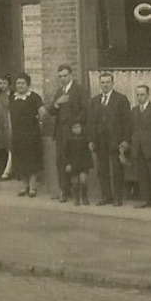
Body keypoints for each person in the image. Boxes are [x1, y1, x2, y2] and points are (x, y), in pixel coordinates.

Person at [86, 70, 131, 207]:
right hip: (100, 142)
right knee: (102, 170)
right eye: (103, 82)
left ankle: (118, 198)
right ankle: (106, 196)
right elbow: (91, 122)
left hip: (115, 141)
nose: (105, 85)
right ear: (99, 84)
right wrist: (91, 140)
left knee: (117, 171)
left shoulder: (121, 99)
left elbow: (127, 121)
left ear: (113, 83)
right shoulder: (94, 101)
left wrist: (125, 140)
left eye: (108, 82)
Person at [47, 63, 86, 202]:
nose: (63, 78)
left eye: (65, 75)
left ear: (71, 75)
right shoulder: (59, 91)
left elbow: (85, 110)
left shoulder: (79, 90)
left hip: (74, 132)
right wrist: (57, 103)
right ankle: (64, 190)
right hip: (60, 132)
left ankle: (78, 192)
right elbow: (50, 111)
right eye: (60, 76)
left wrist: (76, 124)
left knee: (75, 161)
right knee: (61, 160)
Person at [8, 72, 44, 197]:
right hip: (18, 134)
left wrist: (39, 121)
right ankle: (24, 186)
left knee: (31, 160)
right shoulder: (12, 97)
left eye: (23, 83)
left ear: (28, 84)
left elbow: (42, 112)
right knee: (20, 160)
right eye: (18, 83)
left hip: (31, 134)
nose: (20, 86)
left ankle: (33, 187)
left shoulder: (34, 97)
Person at [63, 119, 93, 206]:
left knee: (83, 180)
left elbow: (89, 148)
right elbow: (66, 153)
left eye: (79, 127)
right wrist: (67, 164)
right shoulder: (69, 140)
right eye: (75, 127)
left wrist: (90, 143)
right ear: (71, 129)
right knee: (75, 181)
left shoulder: (85, 138)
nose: (77, 129)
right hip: (73, 163)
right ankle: (76, 198)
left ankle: (84, 197)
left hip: (83, 163)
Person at [0, 75, 13, 178]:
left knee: (11, 147)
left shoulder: (12, 95)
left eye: (4, 83)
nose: (2, 86)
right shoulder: (0, 95)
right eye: (0, 83)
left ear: (9, 84)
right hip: (2, 123)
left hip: (10, 122)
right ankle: (8, 168)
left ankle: (8, 169)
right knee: (6, 147)